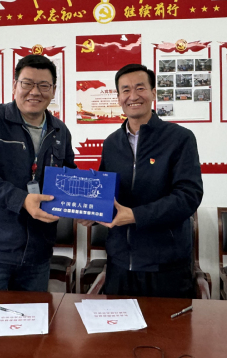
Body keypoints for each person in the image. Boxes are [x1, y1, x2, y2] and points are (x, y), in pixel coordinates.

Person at [81, 63, 203, 298]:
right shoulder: (111, 143)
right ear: (118, 97)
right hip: (119, 264)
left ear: (153, 93)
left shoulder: (180, 138)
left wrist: (135, 215)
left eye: (140, 88)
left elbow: (188, 197)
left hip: (166, 265)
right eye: (125, 90)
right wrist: (92, 214)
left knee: (166, 324)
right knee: (118, 323)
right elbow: (106, 194)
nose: (133, 96)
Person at [0, 54, 76, 291]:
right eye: (27, 83)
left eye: (44, 85)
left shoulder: (59, 130)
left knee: (33, 315)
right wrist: (22, 200)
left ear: (53, 91)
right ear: (14, 86)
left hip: (38, 252)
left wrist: (84, 206)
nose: (35, 91)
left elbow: (67, 176)